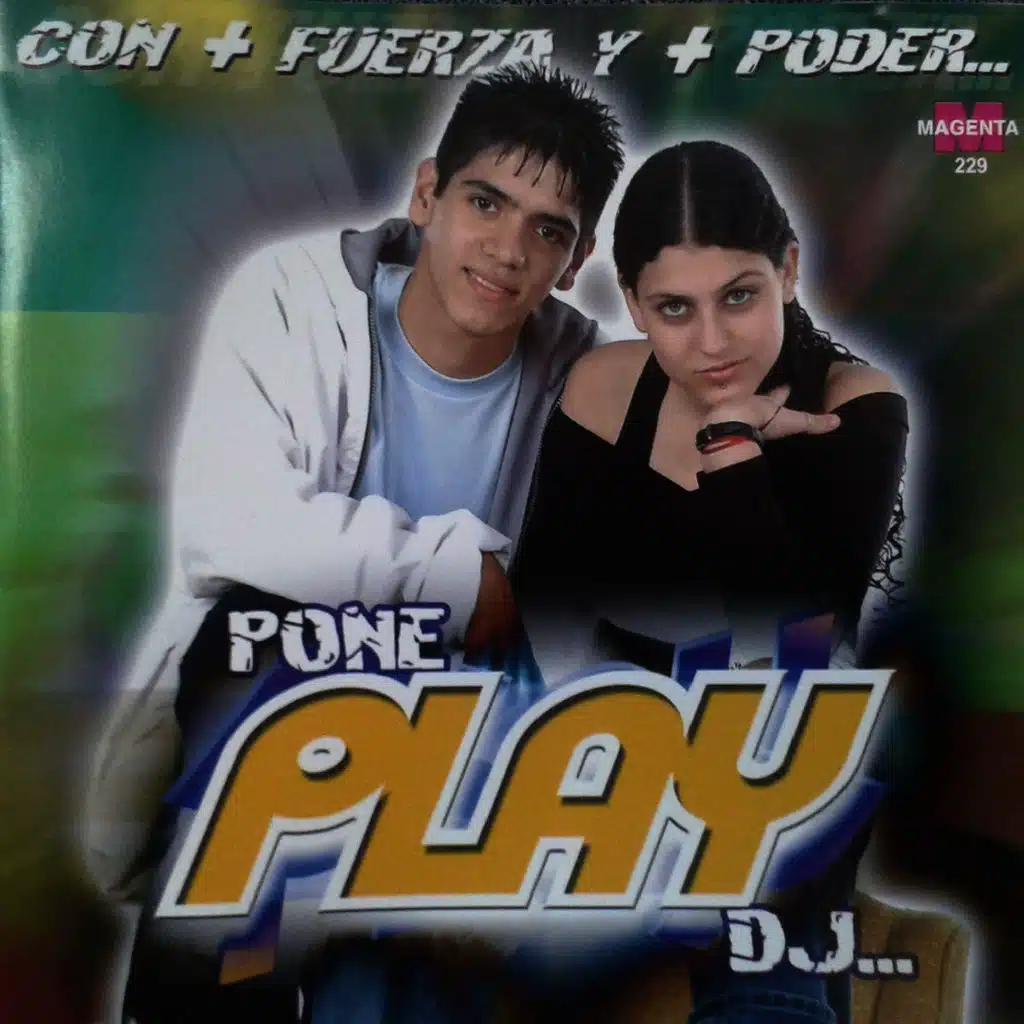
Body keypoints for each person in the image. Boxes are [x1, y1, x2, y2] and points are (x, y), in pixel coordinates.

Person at [83, 64, 625, 1023]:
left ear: (575, 259)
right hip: (282, 711)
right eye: (485, 203)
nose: (507, 250)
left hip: (466, 730)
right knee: (258, 632)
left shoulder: (583, 374)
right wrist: (456, 573)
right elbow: (231, 528)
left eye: (548, 231)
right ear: (426, 194)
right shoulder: (295, 295)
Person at [510, 140, 910, 1023]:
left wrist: (729, 442)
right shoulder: (602, 388)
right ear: (632, 304)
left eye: (739, 296)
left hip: (780, 741)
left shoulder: (856, 405)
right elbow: (546, 600)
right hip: (611, 739)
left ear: (788, 272)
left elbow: (798, 630)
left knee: (769, 965)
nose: (714, 342)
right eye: (674, 309)